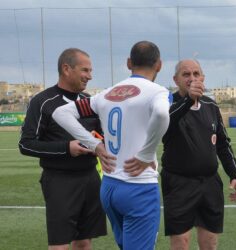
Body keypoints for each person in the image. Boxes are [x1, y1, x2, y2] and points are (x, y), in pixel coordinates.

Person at [52, 41, 170, 250]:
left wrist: (95, 145)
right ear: (159, 65)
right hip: (139, 187)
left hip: (109, 187)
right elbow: (161, 114)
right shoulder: (157, 91)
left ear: (128, 63)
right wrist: (146, 154)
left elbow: (61, 113)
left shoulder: (106, 93)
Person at [18, 48, 107, 249]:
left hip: (91, 178)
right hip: (60, 180)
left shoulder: (89, 101)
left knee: (84, 243)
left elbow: (102, 134)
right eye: (85, 70)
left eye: (90, 71)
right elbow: (26, 143)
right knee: (60, 245)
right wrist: (66, 148)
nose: (90, 76)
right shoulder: (42, 102)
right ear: (66, 69)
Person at [161, 59, 236, 250]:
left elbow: (223, 144)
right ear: (175, 79)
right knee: (181, 242)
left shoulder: (210, 105)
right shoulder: (167, 103)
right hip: (178, 183)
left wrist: (235, 174)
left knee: (210, 243)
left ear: (203, 78)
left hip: (209, 183)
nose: (192, 78)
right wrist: (189, 99)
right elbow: (166, 125)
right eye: (186, 74)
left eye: (196, 74)